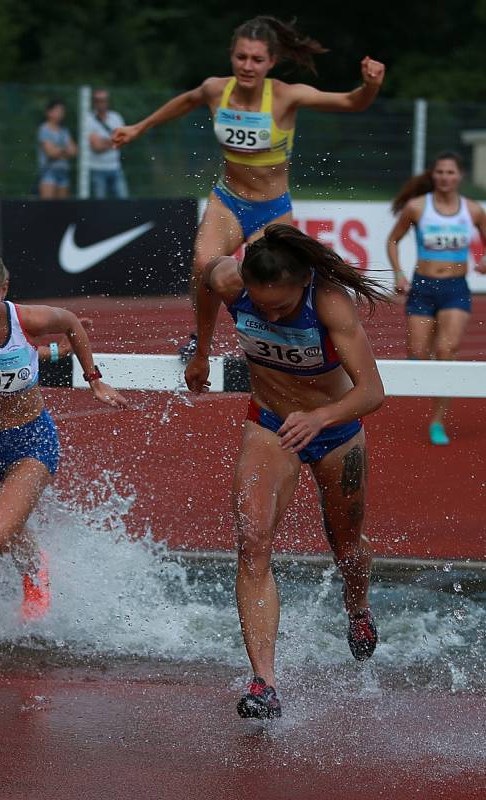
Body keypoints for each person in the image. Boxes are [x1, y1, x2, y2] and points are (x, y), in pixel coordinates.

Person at [185, 223, 386, 719]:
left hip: (334, 430)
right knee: (252, 541)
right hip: (271, 422)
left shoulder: (330, 303)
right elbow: (206, 281)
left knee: (346, 546)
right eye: (263, 306)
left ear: (303, 284)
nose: (270, 316)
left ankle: (357, 607)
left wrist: (319, 417)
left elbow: (372, 392)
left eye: (282, 308)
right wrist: (203, 350)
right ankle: (264, 684)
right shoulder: (232, 280)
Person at [112, 15, 385, 359]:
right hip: (228, 199)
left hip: (271, 208)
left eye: (257, 59)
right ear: (232, 56)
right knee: (202, 265)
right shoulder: (216, 89)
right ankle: (202, 342)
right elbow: (186, 100)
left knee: (269, 280)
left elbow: (351, 103)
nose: (248, 66)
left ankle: (276, 341)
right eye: (241, 57)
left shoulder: (286, 96)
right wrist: (140, 127)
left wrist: (370, 86)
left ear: (271, 61)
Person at [0, 247, 127, 620]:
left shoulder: (28, 319)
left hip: (29, 441)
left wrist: (95, 380)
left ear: (4, 288)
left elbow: (72, 321)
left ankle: (35, 566)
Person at [386, 151, 486, 445]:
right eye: (440, 172)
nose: (445, 177)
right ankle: (431, 378)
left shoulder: (472, 209)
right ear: (433, 175)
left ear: (460, 176)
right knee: (418, 352)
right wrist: (398, 274)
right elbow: (393, 239)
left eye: (450, 172)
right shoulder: (417, 207)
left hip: (456, 288)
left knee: (446, 351)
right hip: (422, 287)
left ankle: (438, 421)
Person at [87, 89, 129, 199]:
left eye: (103, 100)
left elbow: (123, 141)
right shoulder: (88, 119)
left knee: (124, 204)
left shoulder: (116, 117)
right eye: (98, 100)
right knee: (99, 207)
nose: (101, 103)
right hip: (96, 169)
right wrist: (113, 140)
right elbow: (96, 147)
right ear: (94, 102)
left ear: (108, 101)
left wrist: (103, 141)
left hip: (115, 167)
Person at [37, 100, 77, 199]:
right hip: (49, 172)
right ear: (49, 112)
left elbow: (74, 151)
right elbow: (50, 153)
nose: (61, 113)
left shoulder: (64, 130)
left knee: (62, 210)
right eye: (58, 110)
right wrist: (65, 151)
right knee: (48, 208)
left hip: (63, 172)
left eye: (62, 111)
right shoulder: (44, 129)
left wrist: (58, 150)